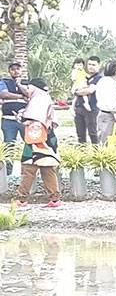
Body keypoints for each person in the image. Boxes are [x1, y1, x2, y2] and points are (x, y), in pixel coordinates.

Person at [15, 79, 60, 209]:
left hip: (36, 138)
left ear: (35, 88)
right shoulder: (45, 97)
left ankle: (22, 199)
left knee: (28, 168)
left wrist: (21, 117)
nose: (27, 90)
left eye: (29, 87)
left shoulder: (38, 99)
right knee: (47, 168)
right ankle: (55, 199)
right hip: (47, 138)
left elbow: (33, 119)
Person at [1, 62, 27, 176]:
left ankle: (27, 171)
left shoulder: (27, 82)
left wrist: (19, 85)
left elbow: (29, 94)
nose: (15, 71)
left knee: (29, 144)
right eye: (13, 69)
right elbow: (4, 94)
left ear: (21, 70)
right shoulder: (4, 82)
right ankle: (8, 174)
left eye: (18, 69)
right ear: (9, 71)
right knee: (9, 146)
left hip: (25, 120)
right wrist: (21, 96)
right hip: (8, 120)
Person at [73, 56, 102, 144]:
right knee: (80, 134)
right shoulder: (84, 76)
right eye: (89, 64)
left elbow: (90, 90)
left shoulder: (98, 78)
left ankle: (95, 151)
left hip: (91, 109)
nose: (91, 66)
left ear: (99, 65)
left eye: (93, 65)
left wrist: (77, 92)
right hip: (79, 107)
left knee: (92, 133)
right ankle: (82, 151)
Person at [95, 60, 116, 144]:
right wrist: (115, 114)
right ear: (115, 72)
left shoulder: (101, 81)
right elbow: (110, 100)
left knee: (101, 137)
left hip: (101, 113)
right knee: (107, 139)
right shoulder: (110, 83)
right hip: (109, 114)